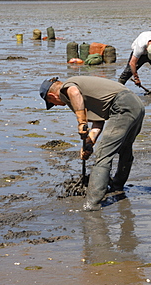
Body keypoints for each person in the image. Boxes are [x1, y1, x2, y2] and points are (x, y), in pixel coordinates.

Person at [39, 76, 145, 211]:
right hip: (136, 105)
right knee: (125, 148)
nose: (57, 105)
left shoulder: (66, 89)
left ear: (52, 95)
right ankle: (117, 186)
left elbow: (74, 92)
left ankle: (92, 203)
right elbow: (98, 121)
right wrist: (89, 142)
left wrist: (81, 122)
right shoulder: (84, 92)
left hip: (122, 106)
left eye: (52, 103)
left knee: (103, 154)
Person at [118, 31, 151, 98]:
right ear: (146, 49)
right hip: (141, 55)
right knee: (128, 72)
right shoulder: (140, 47)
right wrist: (136, 78)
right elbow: (132, 63)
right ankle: (117, 90)